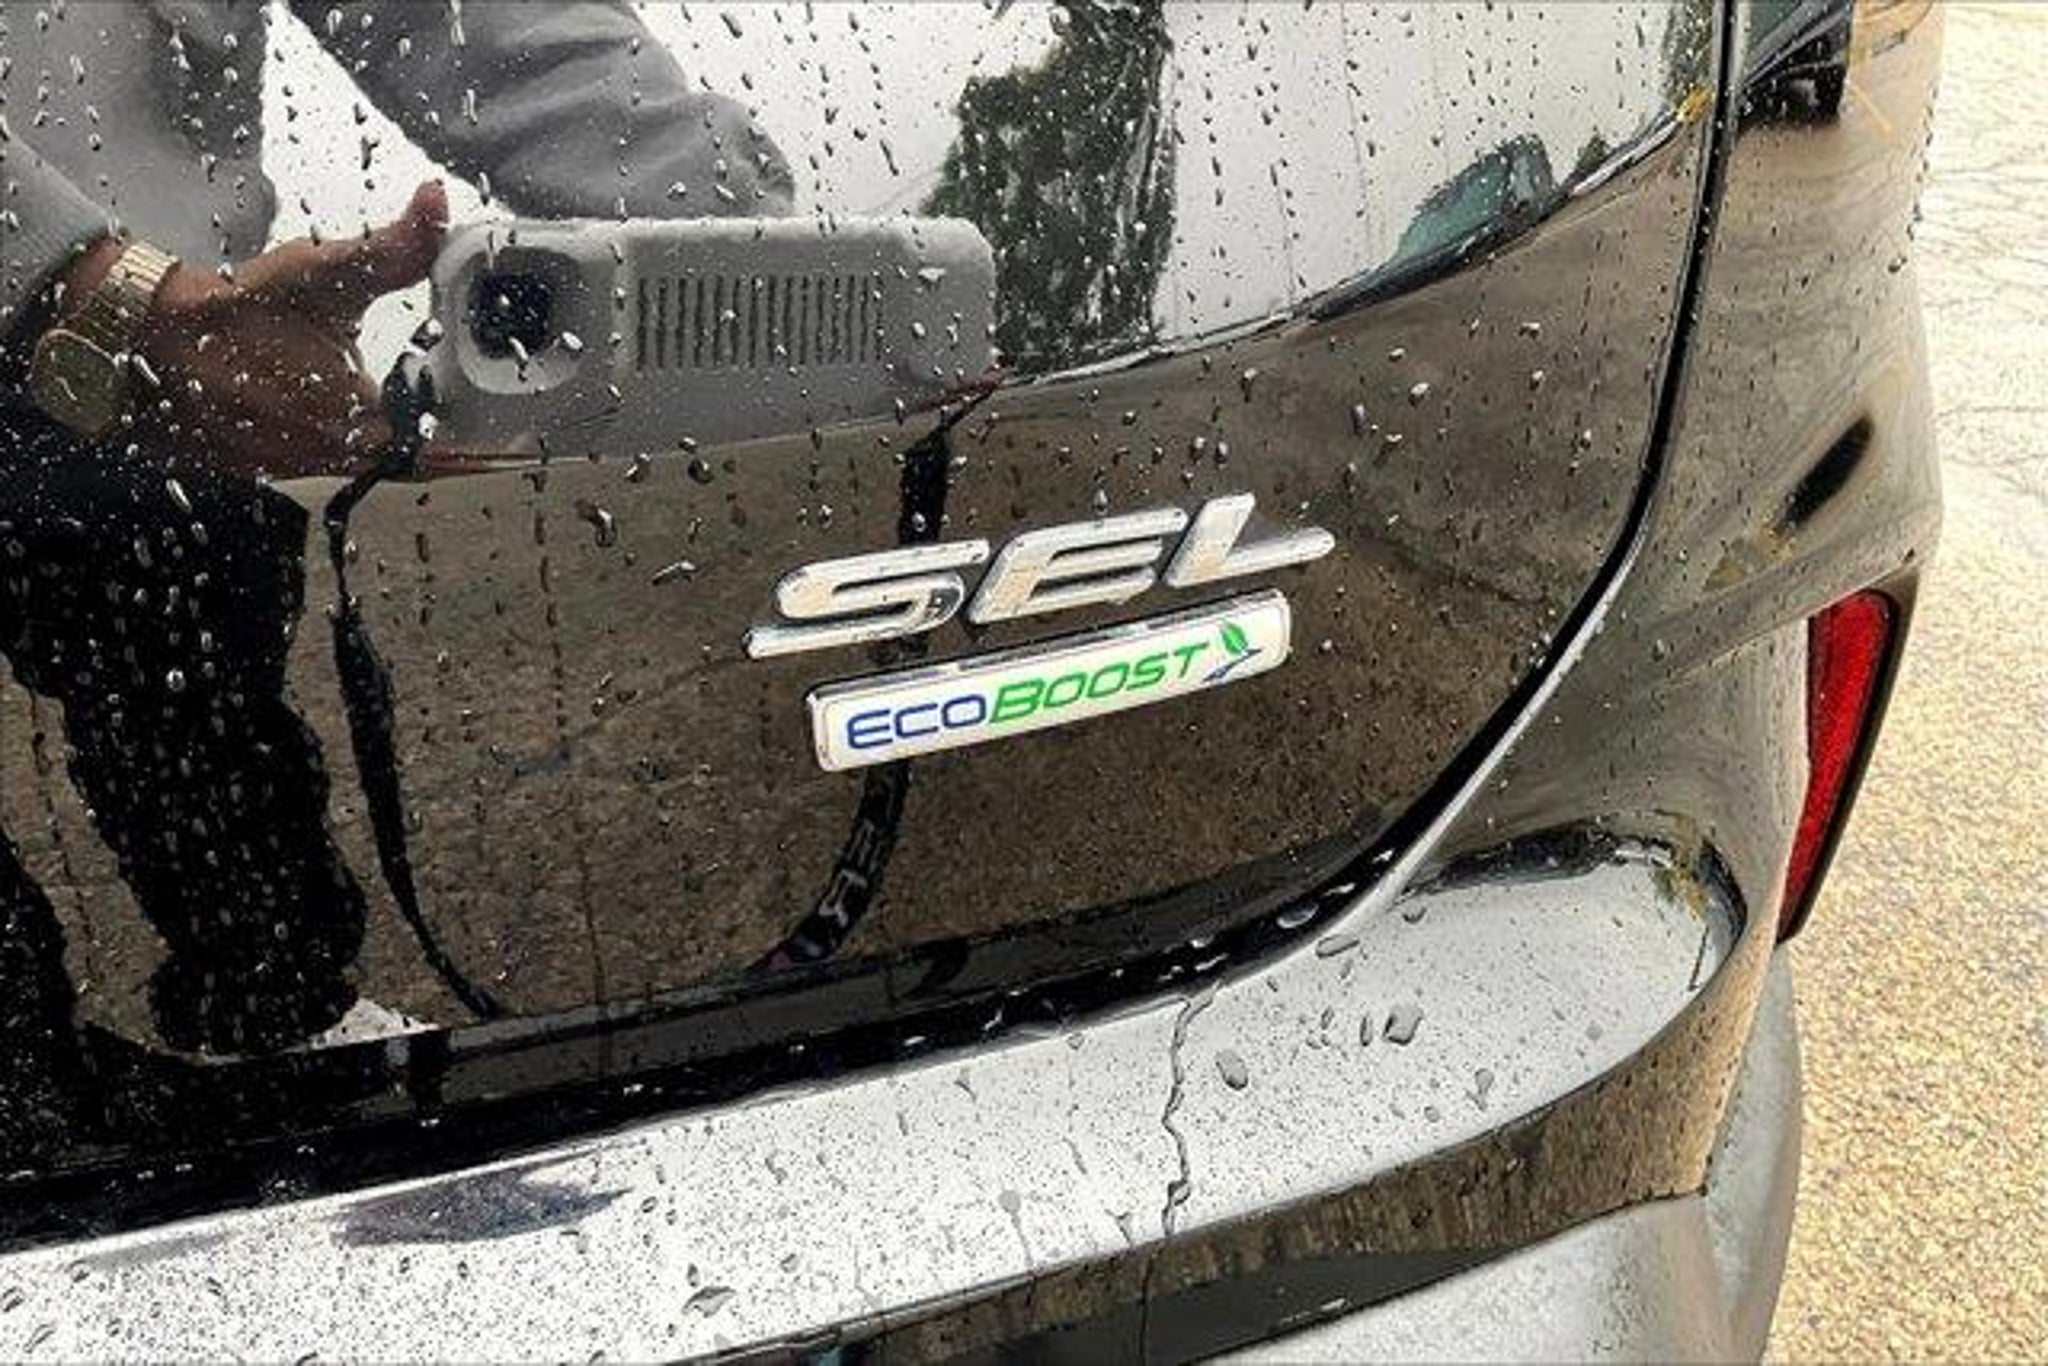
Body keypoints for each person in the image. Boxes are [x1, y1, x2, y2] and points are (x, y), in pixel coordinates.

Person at [0, 2, 792, 1144]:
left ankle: (279, 1015)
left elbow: (467, 17)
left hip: (187, 372)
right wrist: (83, 286)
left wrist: (766, 256)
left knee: (202, 709)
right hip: (161, 332)